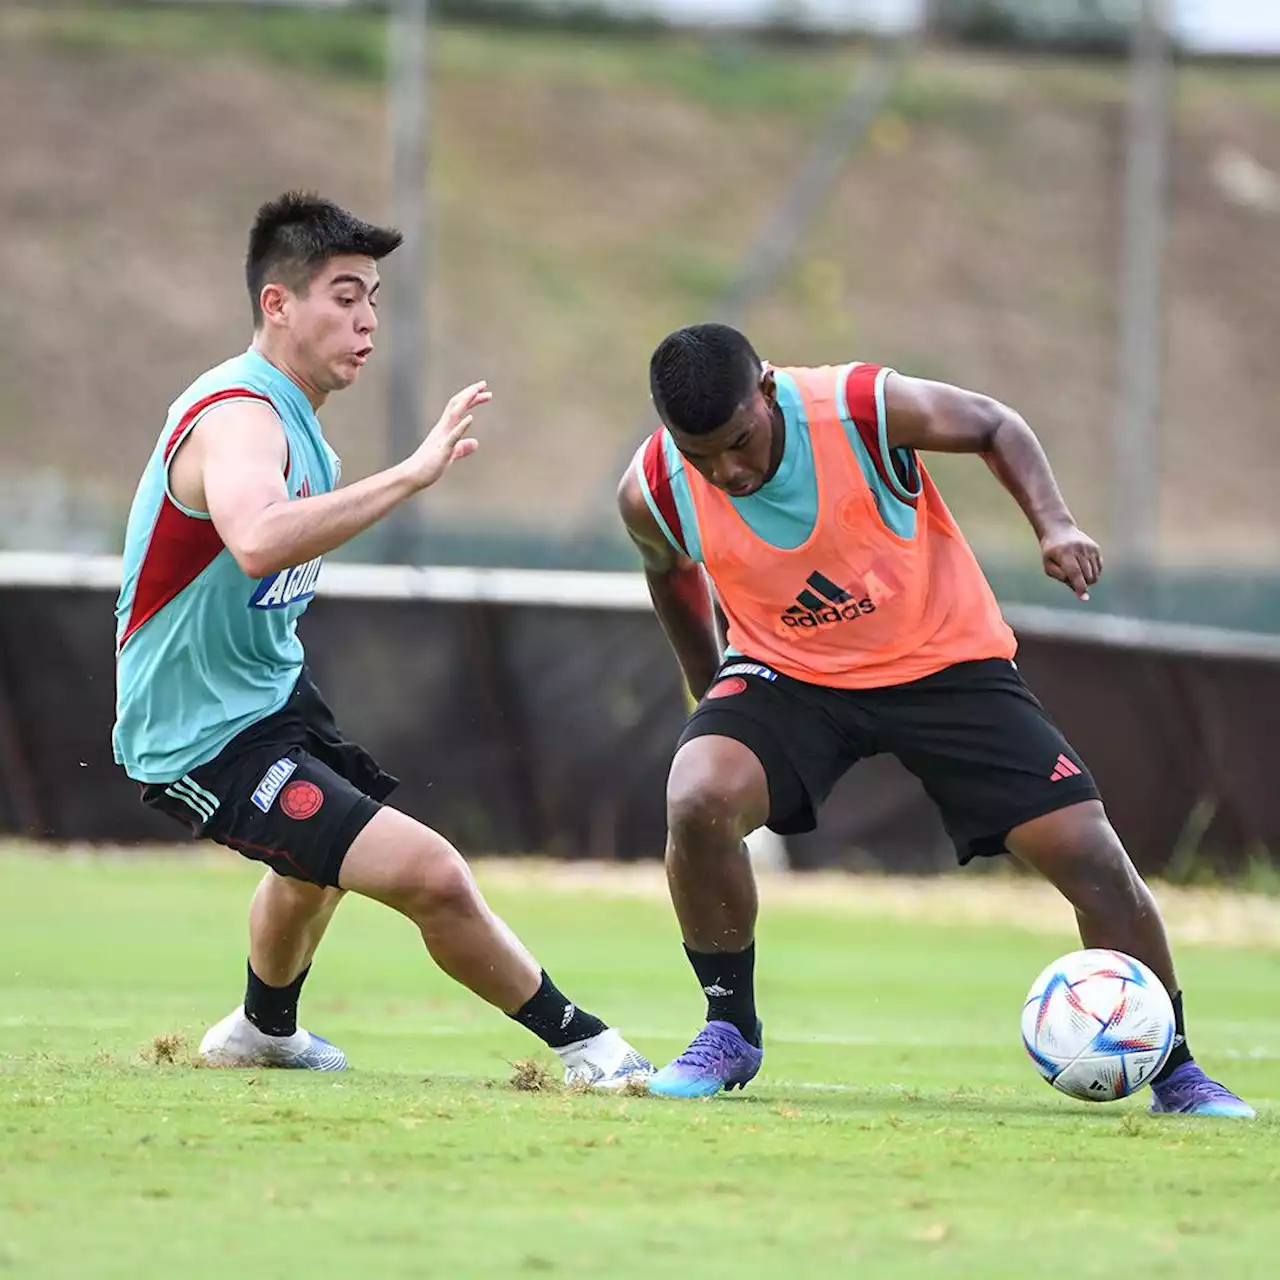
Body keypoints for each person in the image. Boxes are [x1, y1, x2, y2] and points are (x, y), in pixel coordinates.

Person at [618, 322, 1251, 1116]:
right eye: (701, 452)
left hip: (947, 664)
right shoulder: (653, 488)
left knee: (1089, 856)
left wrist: (1054, 523)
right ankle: (728, 1029)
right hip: (790, 675)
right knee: (698, 795)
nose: (727, 469)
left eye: (739, 442)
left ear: (767, 389)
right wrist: (710, 688)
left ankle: (1178, 1070)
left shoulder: (858, 407)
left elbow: (994, 424)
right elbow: (671, 574)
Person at [112, 191, 650, 1087]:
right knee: (430, 874)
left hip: (267, 699)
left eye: (373, 301)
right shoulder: (240, 415)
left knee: (311, 870)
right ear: (278, 304)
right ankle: (590, 1048)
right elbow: (257, 540)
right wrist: (408, 477)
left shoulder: (295, 419)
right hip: (194, 734)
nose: (367, 322)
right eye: (345, 296)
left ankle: (262, 1031)